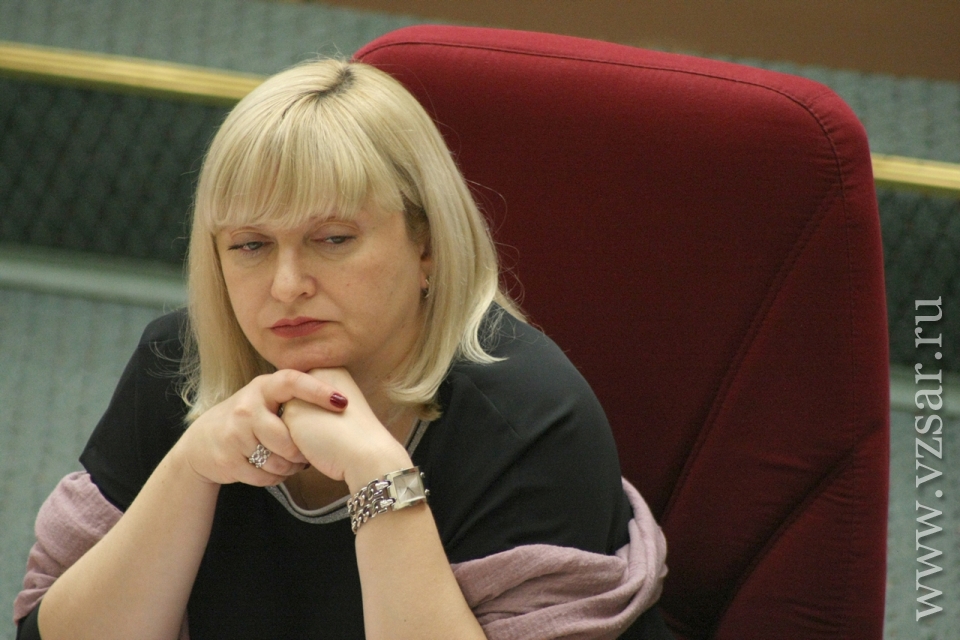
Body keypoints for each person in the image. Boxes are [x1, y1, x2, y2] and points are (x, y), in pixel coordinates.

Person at [14, 59, 669, 640]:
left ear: (426, 246)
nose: (287, 285)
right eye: (250, 245)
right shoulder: (181, 363)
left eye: (332, 239)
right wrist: (191, 466)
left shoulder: (528, 418)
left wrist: (378, 478)